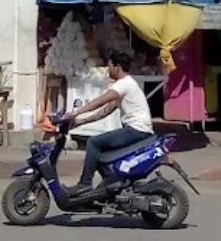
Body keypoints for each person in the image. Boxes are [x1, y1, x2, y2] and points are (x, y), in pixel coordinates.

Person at [64, 51, 154, 191]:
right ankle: (111, 183)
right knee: (99, 152)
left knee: (93, 143)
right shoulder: (126, 84)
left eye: (110, 66)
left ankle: (85, 184)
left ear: (117, 67)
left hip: (136, 129)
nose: (108, 69)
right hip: (137, 129)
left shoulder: (123, 84)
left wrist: (76, 112)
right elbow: (105, 110)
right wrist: (82, 121)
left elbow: (100, 101)